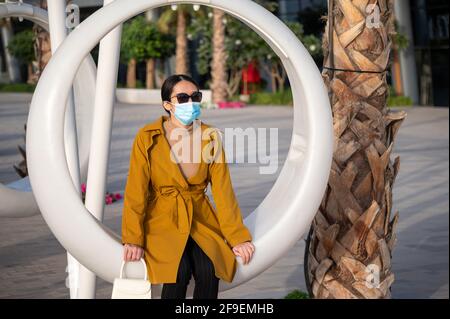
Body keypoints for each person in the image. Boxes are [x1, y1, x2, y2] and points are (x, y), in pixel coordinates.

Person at [121, 74, 255, 299]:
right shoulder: (147, 137)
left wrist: (237, 237)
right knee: (178, 272)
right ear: (167, 105)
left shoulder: (210, 136)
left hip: (200, 218)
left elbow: (223, 191)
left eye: (195, 96)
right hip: (161, 219)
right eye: (182, 98)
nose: (190, 103)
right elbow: (136, 191)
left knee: (209, 270)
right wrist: (132, 238)